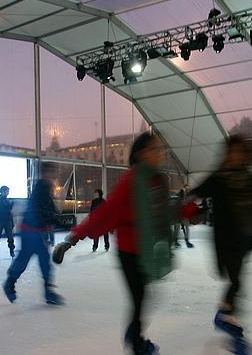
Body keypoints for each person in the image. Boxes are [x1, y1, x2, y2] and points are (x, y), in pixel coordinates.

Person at [54, 133, 173, 355]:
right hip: (130, 252)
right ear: (140, 155)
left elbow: (167, 211)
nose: (160, 154)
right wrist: (72, 239)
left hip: (150, 251)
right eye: (154, 150)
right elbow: (105, 214)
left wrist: (192, 211)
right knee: (139, 298)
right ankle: (136, 343)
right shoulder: (132, 181)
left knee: (144, 297)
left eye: (161, 150)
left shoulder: (158, 181)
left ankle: (134, 337)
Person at [184, 135, 252, 353]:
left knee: (238, 282)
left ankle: (227, 317)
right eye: (233, 151)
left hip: (246, 236)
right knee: (236, 281)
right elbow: (196, 192)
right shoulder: (219, 178)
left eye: (241, 152)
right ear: (227, 154)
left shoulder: (247, 176)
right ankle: (226, 319)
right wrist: (187, 205)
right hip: (227, 240)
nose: (236, 156)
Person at [2, 163, 64, 306]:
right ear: (45, 173)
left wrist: (58, 220)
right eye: (52, 172)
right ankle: (10, 284)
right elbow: (45, 212)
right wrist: (61, 223)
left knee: (41, 261)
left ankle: (12, 284)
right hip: (32, 231)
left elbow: (50, 210)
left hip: (35, 230)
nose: (54, 176)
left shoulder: (44, 188)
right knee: (27, 259)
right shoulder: (42, 187)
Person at [0, 185, 15, 258]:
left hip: (8, 221)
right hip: (0, 221)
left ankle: (12, 251)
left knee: (10, 237)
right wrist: (11, 205)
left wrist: (12, 222)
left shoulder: (7, 200)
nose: (8, 193)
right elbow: (3, 210)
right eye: (7, 191)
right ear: (2, 191)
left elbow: (9, 212)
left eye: (8, 191)